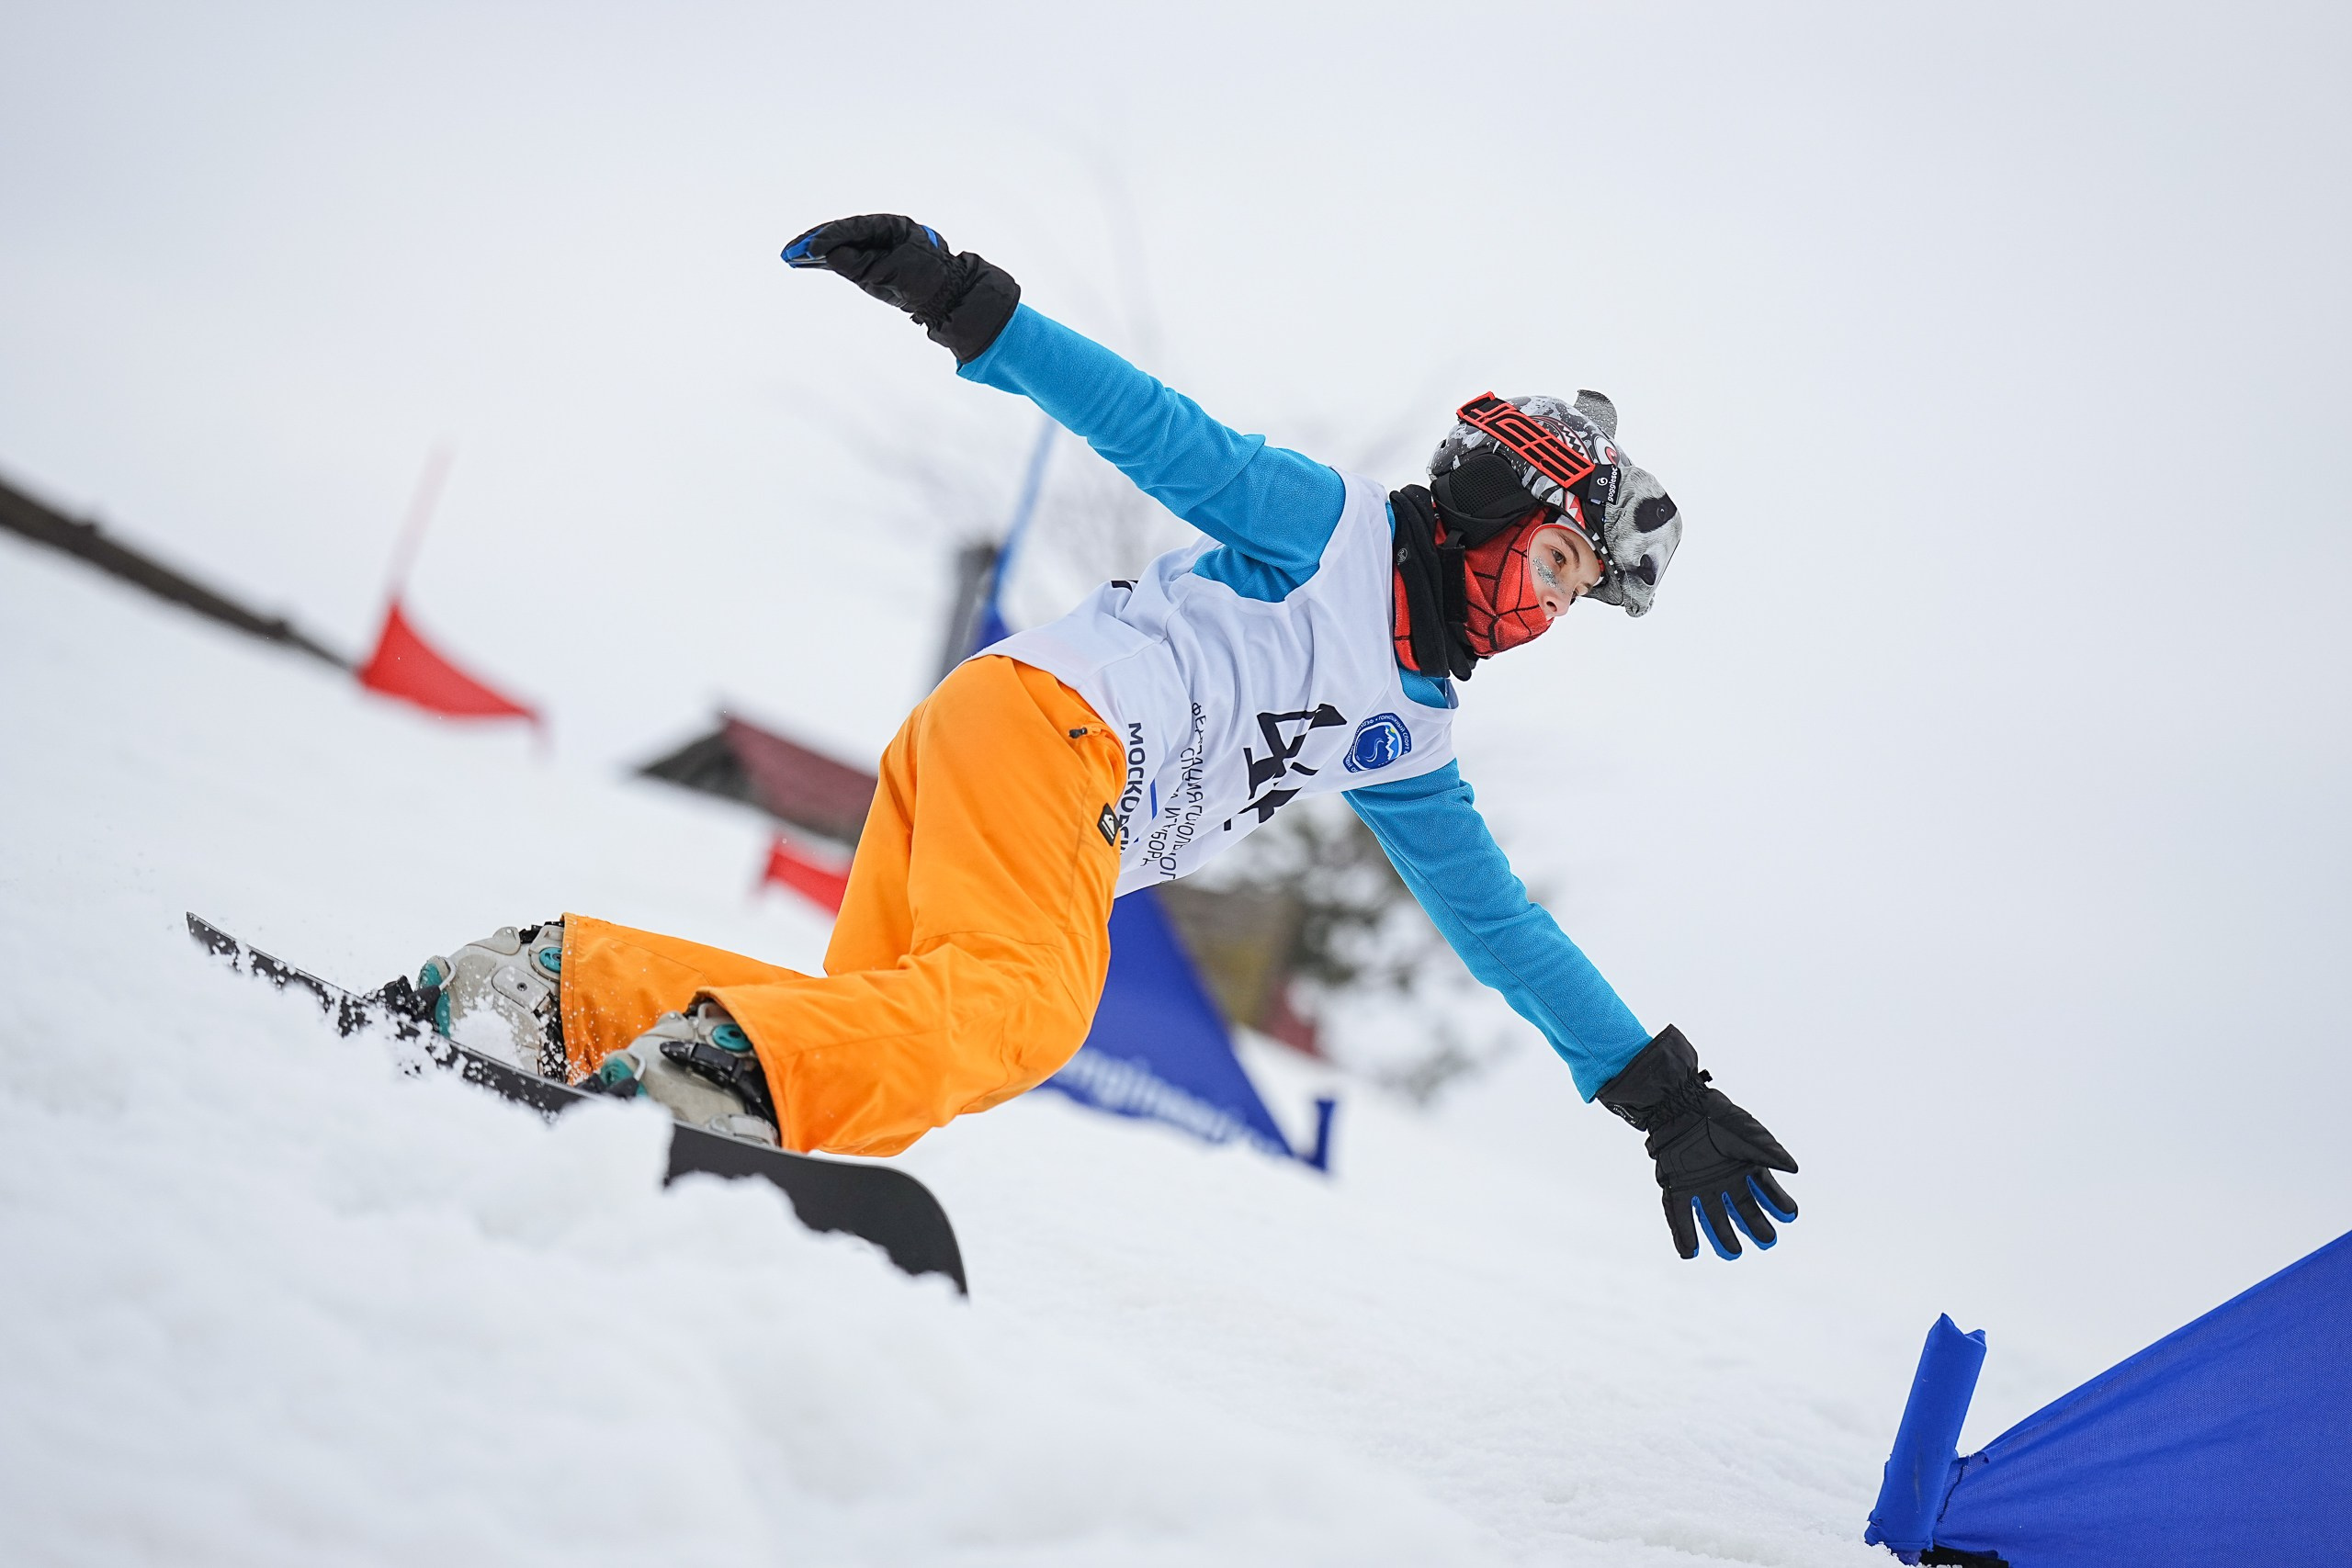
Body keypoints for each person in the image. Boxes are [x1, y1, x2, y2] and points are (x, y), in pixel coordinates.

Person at [407, 215, 1799, 1262]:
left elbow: (1500, 928)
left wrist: (1659, 1093)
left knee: (882, 1048)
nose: (1543, 613)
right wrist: (962, 301)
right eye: (1554, 565)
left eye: (1572, 597)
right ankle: (699, 1079)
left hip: (988, 745)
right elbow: (1157, 430)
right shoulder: (1333, 533)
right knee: (1027, 1007)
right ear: (1499, 499)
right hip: (1058, 738)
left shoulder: (1411, 735)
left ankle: (551, 991)